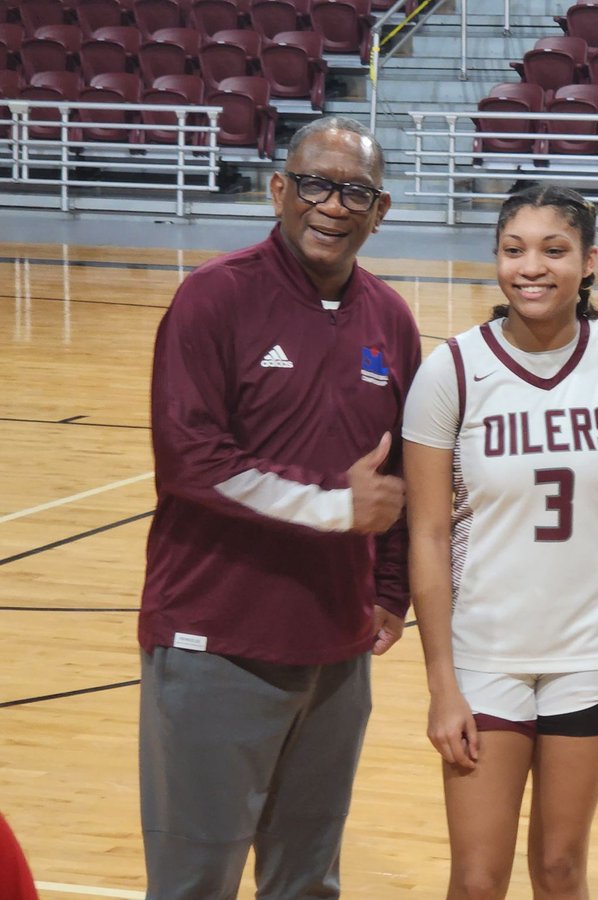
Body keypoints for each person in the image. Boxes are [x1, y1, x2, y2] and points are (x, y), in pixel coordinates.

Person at [138, 115, 421, 900]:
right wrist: (336, 507)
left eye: (355, 191)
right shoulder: (213, 299)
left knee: (306, 884)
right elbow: (192, 461)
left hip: (336, 655)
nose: (332, 205)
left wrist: (390, 594)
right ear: (277, 190)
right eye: (314, 184)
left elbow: (397, 477)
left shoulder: (392, 321)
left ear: (381, 210)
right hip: (214, 644)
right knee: (196, 882)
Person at [402, 184, 598, 899]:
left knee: (559, 868)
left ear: (588, 262)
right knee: (478, 880)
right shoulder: (452, 369)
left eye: (554, 250)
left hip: (588, 648)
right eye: (514, 250)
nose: (532, 267)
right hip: (485, 650)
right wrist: (441, 685)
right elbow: (425, 536)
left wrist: (592, 529)